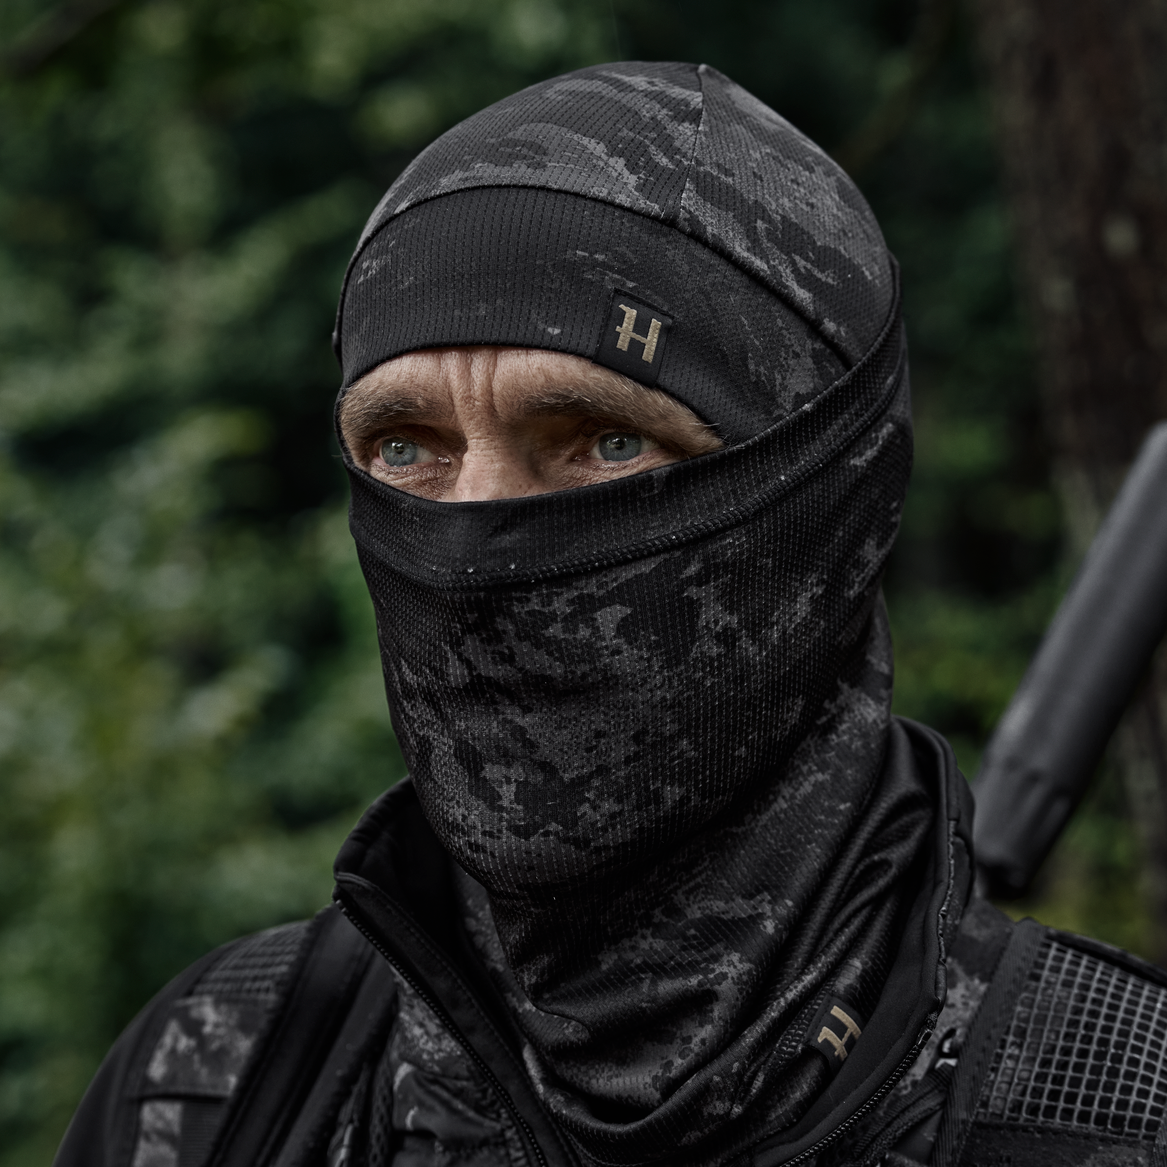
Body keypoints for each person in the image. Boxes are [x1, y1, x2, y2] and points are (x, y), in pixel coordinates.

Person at [54, 61, 1167, 1167]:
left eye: (605, 440)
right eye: (404, 448)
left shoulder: (1121, 1106)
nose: (473, 546)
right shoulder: (210, 1084)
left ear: (833, 500)